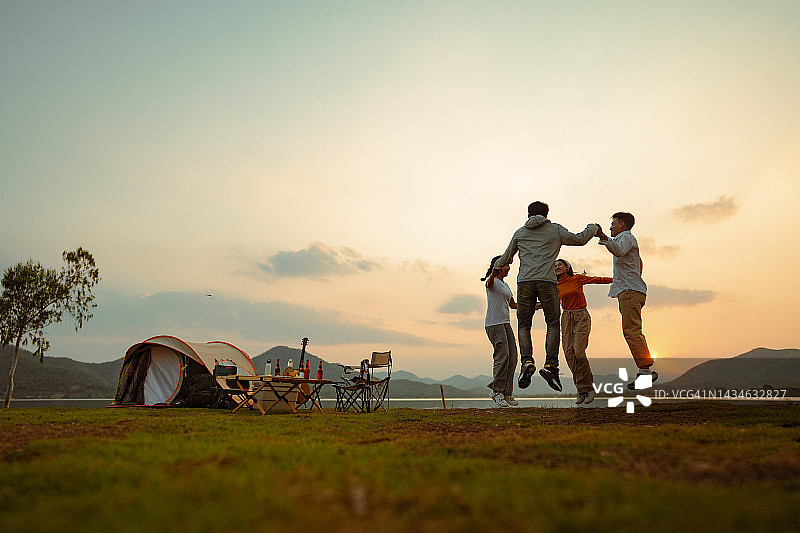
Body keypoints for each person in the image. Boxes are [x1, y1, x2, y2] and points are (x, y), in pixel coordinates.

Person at [495, 201, 599, 392]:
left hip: (525, 282)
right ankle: (551, 366)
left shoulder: (520, 232)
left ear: (528, 214)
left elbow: (506, 256)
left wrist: (494, 270)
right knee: (552, 324)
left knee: (524, 325)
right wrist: (592, 228)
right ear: (546, 214)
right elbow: (580, 239)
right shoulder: (555, 229)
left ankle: (527, 362)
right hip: (547, 281)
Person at [596, 212, 658, 389]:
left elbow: (619, 250)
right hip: (631, 291)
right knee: (633, 331)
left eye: (613, 224)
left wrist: (602, 237)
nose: (610, 227)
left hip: (630, 292)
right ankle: (645, 372)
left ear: (622, 225)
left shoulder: (626, 238)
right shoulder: (628, 240)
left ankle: (646, 372)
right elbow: (639, 264)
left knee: (631, 331)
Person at [555, 259, 612, 404]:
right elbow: (551, 301)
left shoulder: (577, 278)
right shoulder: (555, 285)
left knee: (579, 352)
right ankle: (581, 390)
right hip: (566, 317)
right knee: (569, 354)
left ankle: (588, 388)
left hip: (580, 316)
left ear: (567, 267)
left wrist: (616, 279)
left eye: (559, 264)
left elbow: (596, 280)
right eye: (554, 266)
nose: (556, 267)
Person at [482, 255, 519, 408]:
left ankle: (507, 393)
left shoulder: (506, 285)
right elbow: (489, 284)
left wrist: (535, 305)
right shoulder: (492, 282)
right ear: (498, 266)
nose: (509, 268)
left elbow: (513, 305)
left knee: (513, 358)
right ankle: (497, 392)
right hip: (494, 324)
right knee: (502, 356)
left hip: (505, 323)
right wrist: (492, 274)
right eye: (506, 265)